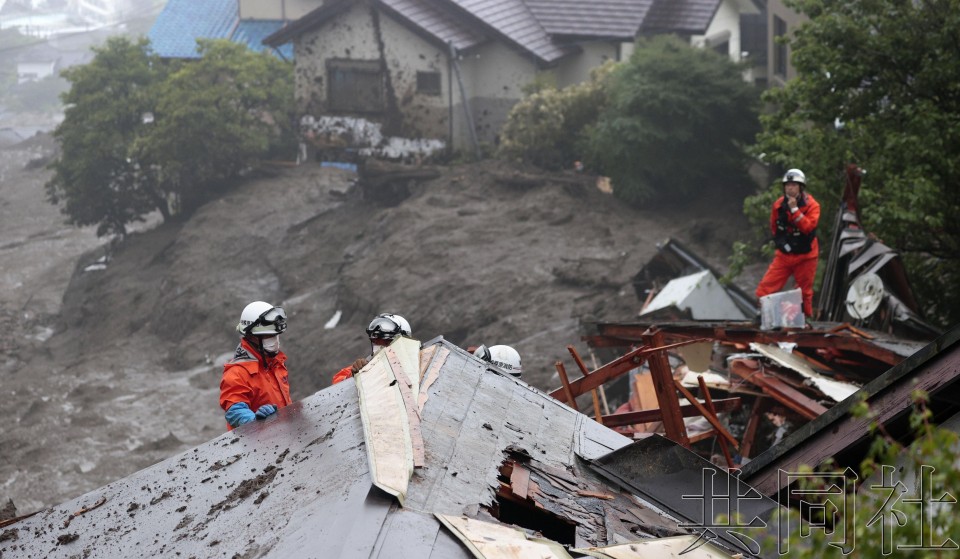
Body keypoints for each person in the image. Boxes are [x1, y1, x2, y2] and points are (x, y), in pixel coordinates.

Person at [755, 168, 821, 317]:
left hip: (806, 255)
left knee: (804, 292)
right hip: (784, 254)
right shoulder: (778, 205)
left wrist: (795, 210)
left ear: (801, 187)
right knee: (766, 287)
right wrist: (784, 244)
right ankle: (761, 315)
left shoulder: (812, 206)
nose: (790, 188)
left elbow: (808, 227)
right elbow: (774, 227)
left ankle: (803, 320)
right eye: (787, 185)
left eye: (794, 185)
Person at [219, 301, 291, 430]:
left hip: (282, 435)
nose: (274, 340)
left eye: (276, 335)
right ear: (252, 336)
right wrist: (253, 420)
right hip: (256, 444)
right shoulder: (237, 373)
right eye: (269, 335)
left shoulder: (275, 363)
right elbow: (234, 410)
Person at [332, 313, 412, 385]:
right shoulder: (367, 365)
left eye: (386, 342)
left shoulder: (419, 360)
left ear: (403, 340)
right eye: (376, 342)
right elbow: (337, 383)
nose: (380, 347)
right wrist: (354, 375)